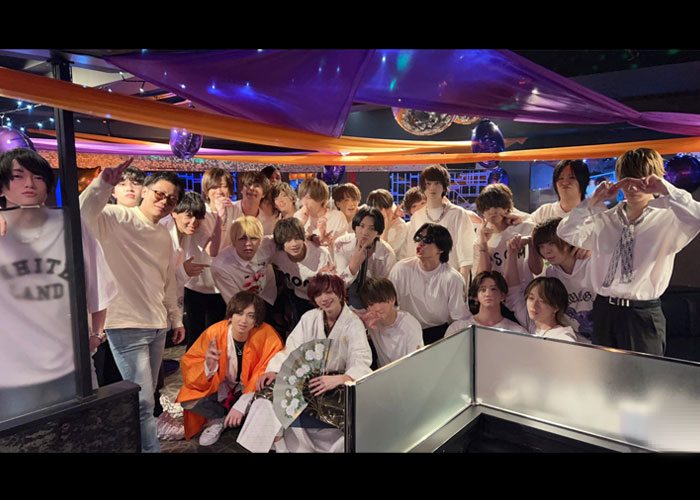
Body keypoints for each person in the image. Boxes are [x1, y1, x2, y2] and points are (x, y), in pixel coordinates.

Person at [0, 148, 117, 420]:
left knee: (81, 427)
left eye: (38, 177)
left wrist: (97, 333)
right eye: (18, 176)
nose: (29, 183)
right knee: (25, 433)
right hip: (14, 370)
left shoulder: (70, 226)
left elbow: (97, 280)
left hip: (70, 360)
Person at [79, 159, 185, 453]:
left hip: (156, 324)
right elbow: (81, 214)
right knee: (143, 402)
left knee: (146, 397)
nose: (164, 201)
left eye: (171, 199)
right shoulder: (115, 217)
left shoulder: (163, 234)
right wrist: (103, 184)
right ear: (145, 191)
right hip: (126, 324)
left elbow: (167, 280)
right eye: (160, 194)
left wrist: (175, 318)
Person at [557, 148, 700, 355]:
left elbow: (697, 217)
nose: (632, 186)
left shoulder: (669, 218)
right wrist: (591, 201)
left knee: (644, 373)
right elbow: (565, 231)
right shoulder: (604, 218)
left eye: (641, 179)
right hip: (605, 309)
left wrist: (666, 189)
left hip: (642, 313)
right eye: (626, 179)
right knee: (604, 370)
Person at [236, 273, 372, 453]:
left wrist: (343, 378)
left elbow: (361, 359)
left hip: (336, 382)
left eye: (329, 292)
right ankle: (272, 443)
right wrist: (274, 370)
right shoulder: (309, 318)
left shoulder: (353, 323)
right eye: (318, 294)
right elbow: (292, 348)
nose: (324, 298)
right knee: (268, 393)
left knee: (351, 411)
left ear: (340, 293)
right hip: (306, 378)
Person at [176, 291, 284, 445]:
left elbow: (270, 368)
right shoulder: (214, 332)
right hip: (221, 388)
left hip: (250, 390)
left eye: (251, 316)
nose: (243, 320)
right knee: (189, 399)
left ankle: (247, 415)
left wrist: (243, 403)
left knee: (272, 385)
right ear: (231, 315)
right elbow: (191, 364)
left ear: (256, 320)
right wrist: (208, 366)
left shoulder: (266, 334)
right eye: (239, 313)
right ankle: (219, 416)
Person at [388, 223, 471, 345]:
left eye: (427, 240)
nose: (420, 243)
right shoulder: (401, 269)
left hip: (439, 333)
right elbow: (390, 303)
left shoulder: (452, 278)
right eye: (418, 238)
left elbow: (460, 318)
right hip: (405, 331)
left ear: (441, 249)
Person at [529, 218, 595, 343]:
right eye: (541, 246)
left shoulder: (592, 263)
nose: (546, 251)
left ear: (568, 239)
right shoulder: (551, 273)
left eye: (551, 243)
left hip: (605, 338)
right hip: (575, 341)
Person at [407, 164, 474, 286]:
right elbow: (412, 253)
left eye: (437, 183)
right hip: (423, 281)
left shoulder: (458, 214)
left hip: (451, 279)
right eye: (428, 184)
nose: (432, 188)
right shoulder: (417, 217)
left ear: (444, 186)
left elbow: (466, 256)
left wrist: (462, 286)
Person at [503, 235, 577, 342]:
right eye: (531, 298)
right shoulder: (532, 321)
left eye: (542, 301)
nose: (534, 305)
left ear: (556, 307)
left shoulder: (562, 337)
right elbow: (513, 290)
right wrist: (512, 251)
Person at [210, 216, 277, 318]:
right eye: (242, 238)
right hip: (243, 307)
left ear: (261, 240)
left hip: (268, 299)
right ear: (233, 241)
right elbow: (236, 304)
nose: (248, 244)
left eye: (254, 238)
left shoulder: (268, 245)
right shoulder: (220, 266)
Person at [269, 217, 333, 323]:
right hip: (300, 298)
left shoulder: (321, 254)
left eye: (297, 238)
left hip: (324, 299)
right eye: (288, 240)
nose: (294, 244)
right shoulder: (278, 255)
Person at [334, 206, 396, 309]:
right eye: (361, 226)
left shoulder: (387, 254)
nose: (365, 232)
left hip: (373, 302)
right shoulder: (341, 244)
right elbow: (338, 285)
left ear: (378, 233)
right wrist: (353, 265)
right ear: (355, 227)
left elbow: (385, 291)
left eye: (371, 228)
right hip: (343, 300)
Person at [357, 277, 424, 368]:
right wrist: (362, 320)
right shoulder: (371, 318)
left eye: (381, 301)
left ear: (392, 299)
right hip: (383, 372)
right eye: (371, 304)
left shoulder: (410, 326)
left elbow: (417, 363)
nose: (377, 308)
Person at [474, 183, 534, 280]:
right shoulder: (480, 238)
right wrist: (483, 244)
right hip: (498, 288)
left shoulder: (525, 228)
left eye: (496, 206)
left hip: (526, 286)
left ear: (507, 207)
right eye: (487, 208)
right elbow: (482, 276)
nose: (492, 211)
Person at [445, 271, 528, 337]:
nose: (488, 294)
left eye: (493, 289)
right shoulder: (458, 328)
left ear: (503, 295)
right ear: (475, 296)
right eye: (483, 290)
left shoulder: (517, 332)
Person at [531, 159, 590, 225]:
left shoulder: (592, 215)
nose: (565, 182)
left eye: (571, 177)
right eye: (561, 178)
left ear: (583, 181)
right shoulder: (544, 212)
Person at [295, 177, 349, 247]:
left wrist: (328, 240)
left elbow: (344, 246)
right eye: (302, 197)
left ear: (321, 199)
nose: (305, 202)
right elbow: (293, 244)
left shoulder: (337, 217)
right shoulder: (297, 216)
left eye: (309, 198)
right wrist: (302, 223)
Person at [366, 188, 411, 260]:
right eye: (379, 210)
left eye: (386, 209)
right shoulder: (368, 221)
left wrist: (386, 229)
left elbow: (381, 257)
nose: (384, 213)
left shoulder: (400, 226)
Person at [234, 170, 276, 236]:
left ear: (263, 194)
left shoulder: (266, 222)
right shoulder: (229, 210)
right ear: (241, 189)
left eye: (257, 186)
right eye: (248, 184)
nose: (251, 188)